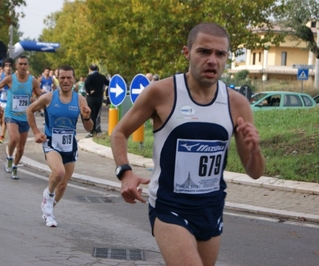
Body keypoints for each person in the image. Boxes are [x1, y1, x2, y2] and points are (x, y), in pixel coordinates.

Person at [110, 22, 265, 266]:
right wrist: (125, 172)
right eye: (204, 51)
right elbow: (119, 132)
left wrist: (255, 149)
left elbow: (255, 172)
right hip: (169, 206)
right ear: (187, 53)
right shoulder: (161, 92)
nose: (212, 60)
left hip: (211, 208)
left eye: (220, 54)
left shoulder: (236, 103)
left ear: (226, 58)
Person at [26, 65, 93, 227]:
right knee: (59, 173)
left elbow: (89, 128)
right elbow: (29, 110)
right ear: (58, 79)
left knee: (63, 185)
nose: (66, 81)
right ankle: (48, 200)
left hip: (70, 145)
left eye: (69, 77)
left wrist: (86, 117)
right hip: (51, 143)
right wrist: (36, 132)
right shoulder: (49, 97)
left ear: (74, 80)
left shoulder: (80, 100)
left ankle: (48, 209)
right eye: (62, 77)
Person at [0, 55, 41, 179]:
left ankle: (15, 166)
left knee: (20, 148)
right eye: (20, 64)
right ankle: (9, 157)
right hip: (11, 114)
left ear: (28, 66)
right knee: (14, 138)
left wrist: (35, 100)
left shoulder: (33, 81)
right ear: (16, 66)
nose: (23, 66)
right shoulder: (10, 79)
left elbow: (41, 98)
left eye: (25, 64)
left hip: (25, 117)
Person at [84, 64, 109, 137]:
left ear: (90, 69)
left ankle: (92, 131)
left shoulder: (90, 76)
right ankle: (95, 130)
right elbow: (109, 83)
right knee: (96, 115)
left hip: (91, 97)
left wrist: (88, 92)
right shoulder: (102, 77)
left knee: (92, 114)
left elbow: (86, 84)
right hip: (99, 97)